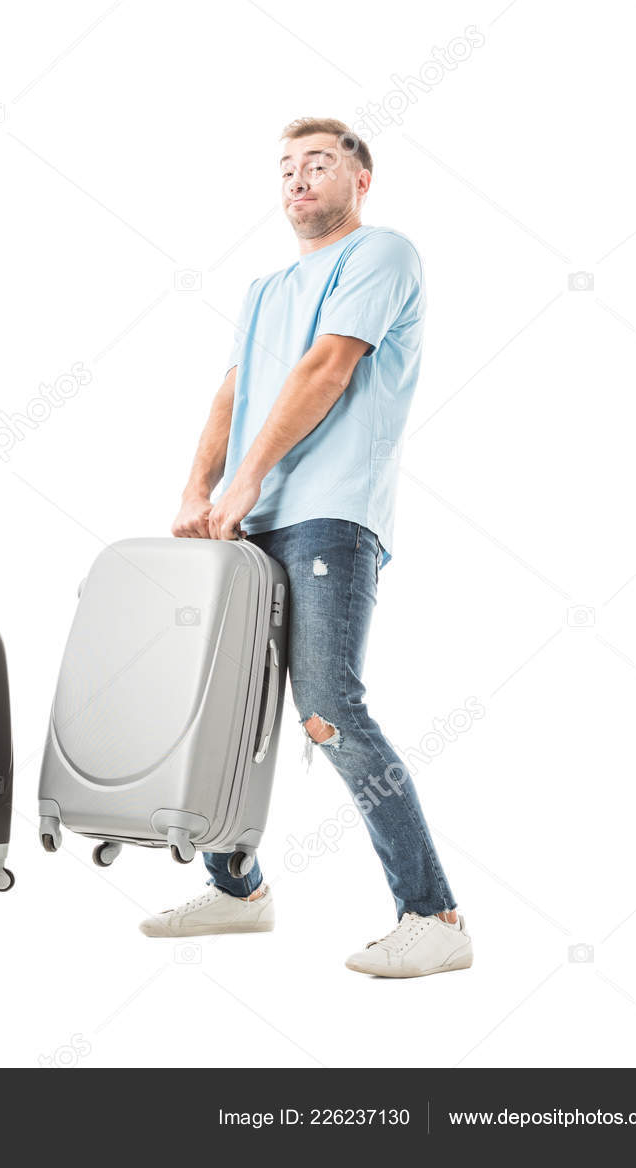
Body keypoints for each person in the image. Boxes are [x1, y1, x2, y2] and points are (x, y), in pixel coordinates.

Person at [141, 118, 472, 978]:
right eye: (286, 167)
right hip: (247, 519)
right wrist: (196, 487)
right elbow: (232, 392)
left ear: (361, 180)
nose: (298, 179)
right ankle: (235, 886)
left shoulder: (383, 254)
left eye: (318, 164)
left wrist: (248, 478)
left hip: (328, 514)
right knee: (226, 704)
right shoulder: (265, 288)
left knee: (327, 707)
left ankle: (433, 914)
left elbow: (328, 368)